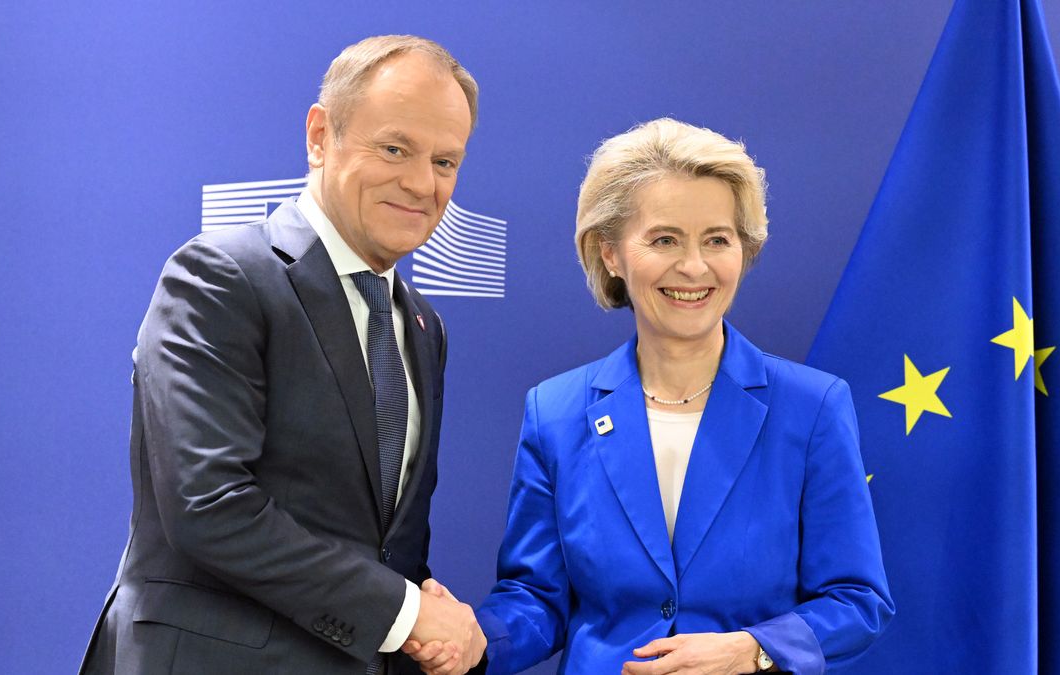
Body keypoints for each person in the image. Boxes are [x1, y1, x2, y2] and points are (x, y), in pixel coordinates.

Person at [407, 119, 893, 674]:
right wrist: (471, 638)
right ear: (610, 253)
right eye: (664, 239)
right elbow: (538, 599)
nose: (694, 266)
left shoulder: (812, 408)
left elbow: (857, 601)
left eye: (717, 239)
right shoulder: (556, 411)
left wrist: (751, 649)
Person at [80, 35, 487, 675]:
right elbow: (209, 504)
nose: (420, 183)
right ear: (320, 136)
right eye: (394, 148)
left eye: (445, 161)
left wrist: (437, 629)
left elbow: (385, 551)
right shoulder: (222, 275)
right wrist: (408, 614)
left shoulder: (423, 326)